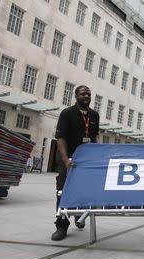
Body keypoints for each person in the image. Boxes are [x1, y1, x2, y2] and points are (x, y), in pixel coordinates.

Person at [51, 85, 100, 241]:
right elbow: (61, 138)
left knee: (84, 190)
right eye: (83, 94)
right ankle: (61, 225)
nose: (87, 96)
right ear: (76, 96)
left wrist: (97, 156)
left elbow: (95, 137)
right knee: (63, 191)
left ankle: (79, 215)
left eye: (89, 94)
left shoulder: (94, 115)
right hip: (69, 158)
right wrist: (66, 160)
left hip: (86, 160)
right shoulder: (67, 113)